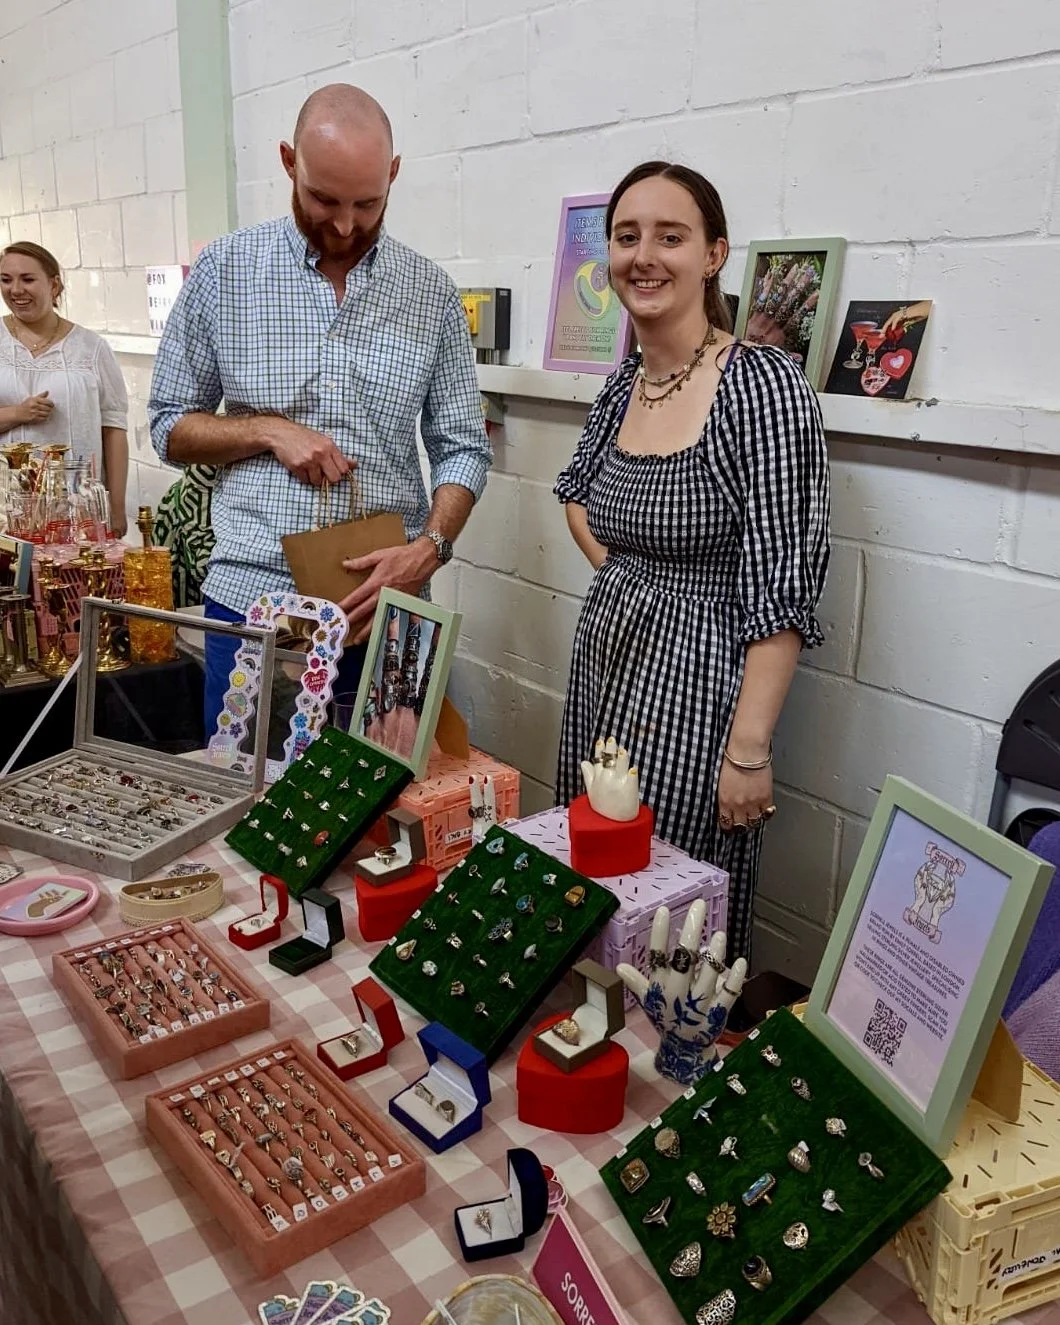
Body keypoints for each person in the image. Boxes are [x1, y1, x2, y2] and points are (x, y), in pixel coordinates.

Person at [554, 161, 830, 964]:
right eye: (627, 236)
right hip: (605, 671)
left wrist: (749, 749)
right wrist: (632, 574)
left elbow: (783, 586)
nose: (645, 255)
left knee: (672, 916)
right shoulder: (626, 385)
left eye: (670, 236)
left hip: (703, 688)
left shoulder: (762, 388)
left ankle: (669, 1076)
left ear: (713, 255)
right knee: (596, 891)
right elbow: (574, 490)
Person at [149, 84, 490, 732]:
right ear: (288, 162)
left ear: (393, 174)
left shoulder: (431, 293)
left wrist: (430, 548)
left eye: (367, 203)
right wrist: (267, 430)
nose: (343, 224)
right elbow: (169, 425)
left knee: (387, 809)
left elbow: (464, 447)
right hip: (256, 603)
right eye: (323, 199)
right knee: (253, 814)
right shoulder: (226, 271)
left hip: (389, 604)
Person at [0, 241, 129, 535]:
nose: (15, 290)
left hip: (75, 507)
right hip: (7, 509)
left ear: (54, 284)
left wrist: (117, 509)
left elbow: (114, 429)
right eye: (6, 280)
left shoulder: (91, 348)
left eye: (27, 279)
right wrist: (16, 413)